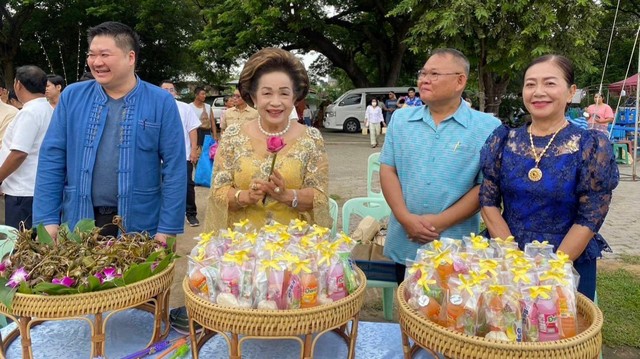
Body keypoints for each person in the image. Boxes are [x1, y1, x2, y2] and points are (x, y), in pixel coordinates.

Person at [479, 55, 619, 301]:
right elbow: (488, 202)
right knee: (499, 334)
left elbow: (590, 217)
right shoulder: (502, 140)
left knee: (559, 333)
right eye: (530, 84)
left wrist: (550, 270)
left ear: (570, 92)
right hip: (505, 255)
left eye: (550, 83)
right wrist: (514, 260)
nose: (538, 92)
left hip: (567, 260)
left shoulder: (591, 145)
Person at [33, 21, 186, 245]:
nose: (96, 62)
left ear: (130, 57)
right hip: (79, 220)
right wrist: (47, 220)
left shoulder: (160, 101)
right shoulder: (72, 97)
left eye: (105, 54)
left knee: (137, 280)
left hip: (140, 224)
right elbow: (52, 159)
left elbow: (175, 167)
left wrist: (167, 229)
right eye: (91, 54)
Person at [380, 48, 501, 284]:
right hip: (407, 238)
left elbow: (484, 187)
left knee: (451, 314)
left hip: (454, 244)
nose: (424, 80)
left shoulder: (487, 127)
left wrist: (438, 223)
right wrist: (406, 218)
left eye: (434, 74)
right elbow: (388, 170)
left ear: (460, 81)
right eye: (423, 73)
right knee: (408, 310)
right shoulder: (401, 120)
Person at [204, 47, 331, 233]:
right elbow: (218, 193)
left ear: (295, 97)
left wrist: (287, 195)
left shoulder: (311, 138)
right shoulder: (233, 136)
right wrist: (245, 196)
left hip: (295, 249)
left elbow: (319, 197)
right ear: (253, 96)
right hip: (241, 250)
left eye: (284, 93)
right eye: (267, 93)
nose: (275, 102)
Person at [0, 65, 54, 229]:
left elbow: (19, 153)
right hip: (36, 188)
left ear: (18, 85)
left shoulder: (29, 113)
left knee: (18, 247)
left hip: (22, 192)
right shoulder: (47, 109)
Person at [160, 80, 201, 227]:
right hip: (159, 158)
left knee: (187, 185)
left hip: (183, 155)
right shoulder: (155, 107)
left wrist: (194, 150)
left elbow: (192, 129)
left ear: (175, 93)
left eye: (171, 89)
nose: (168, 92)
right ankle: (163, 215)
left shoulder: (184, 108)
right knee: (160, 186)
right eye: (164, 89)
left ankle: (191, 214)